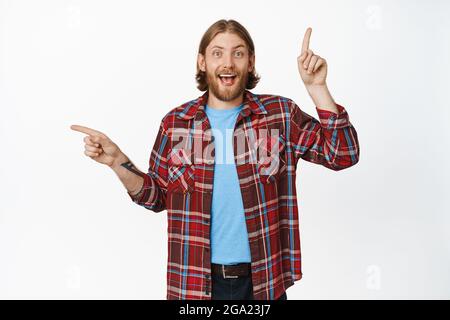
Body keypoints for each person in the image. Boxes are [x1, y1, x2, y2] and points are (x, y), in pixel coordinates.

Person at [71, 19, 360, 300]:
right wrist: (117, 161)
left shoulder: (279, 115)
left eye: (238, 53)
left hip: (264, 283)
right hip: (194, 284)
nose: (228, 63)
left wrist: (317, 88)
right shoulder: (177, 123)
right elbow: (156, 197)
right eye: (217, 53)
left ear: (251, 62)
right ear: (202, 62)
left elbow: (343, 155)